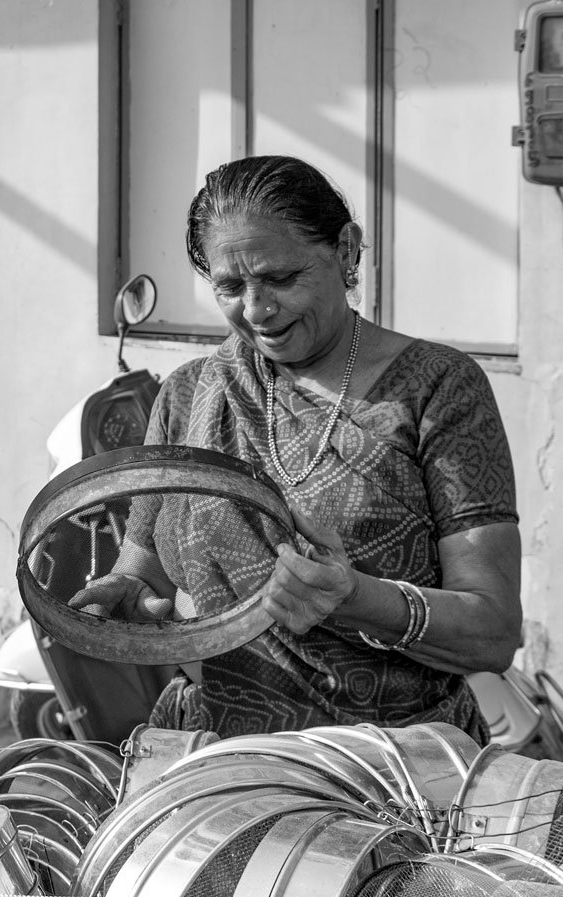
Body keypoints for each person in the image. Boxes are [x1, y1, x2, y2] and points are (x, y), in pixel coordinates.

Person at [70, 154, 521, 740]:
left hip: (391, 765)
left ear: (347, 249)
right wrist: (132, 601)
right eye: (230, 286)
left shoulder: (436, 389)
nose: (256, 310)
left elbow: (493, 632)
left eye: (281, 278)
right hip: (217, 754)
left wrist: (359, 599)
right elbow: (147, 572)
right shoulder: (188, 396)